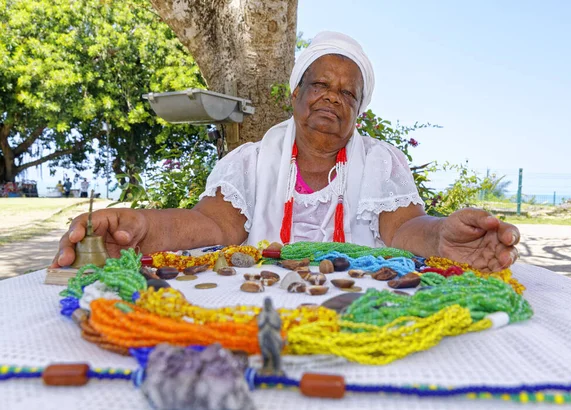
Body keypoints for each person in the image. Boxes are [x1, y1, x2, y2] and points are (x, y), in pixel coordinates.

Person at [52, 31, 520, 273]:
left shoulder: (381, 163)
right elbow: (210, 225)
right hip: (261, 301)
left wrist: (443, 238)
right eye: (320, 84)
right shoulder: (251, 161)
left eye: (348, 93)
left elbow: (404, 230)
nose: (332, 97)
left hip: (358, 303)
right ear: (295, 95)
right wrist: (141, 227)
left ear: (359, 111)